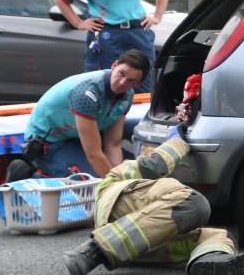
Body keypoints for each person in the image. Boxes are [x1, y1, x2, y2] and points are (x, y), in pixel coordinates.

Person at [61, 125, 244, 275]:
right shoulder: (118, 175)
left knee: (222, 235)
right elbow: (154, 165)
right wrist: (178, 140)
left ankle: (210, 260)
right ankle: (93, 251)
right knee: (193, 204)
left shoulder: (169, 205)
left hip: (138, 244)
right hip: (115, 212)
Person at [15, 50, 149, 180]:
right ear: (114, 66)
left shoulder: (128, 95)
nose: (122, 82)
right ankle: (29, 174)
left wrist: (120, 178)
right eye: (121, 74)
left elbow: (113, 144)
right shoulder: (87, 94)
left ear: (138, 83)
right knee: (90, 180)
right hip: (50, 142)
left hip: (79, 135)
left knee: (132, 163)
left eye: (131, 80)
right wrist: (114, 185)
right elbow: (94, 154)